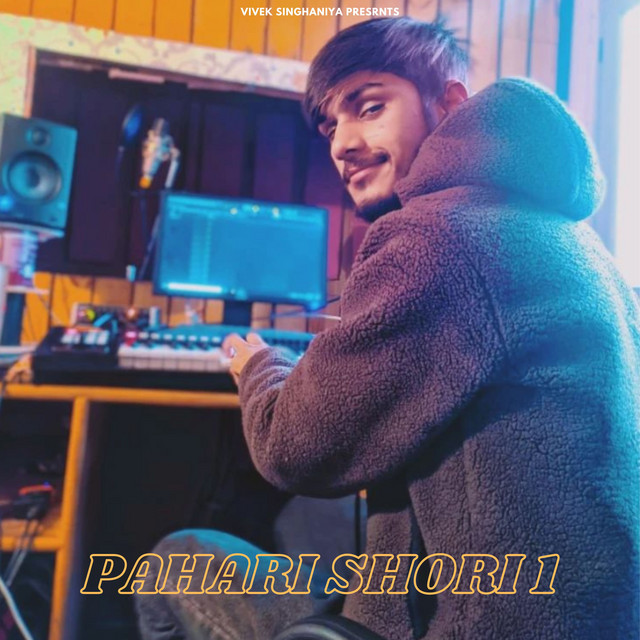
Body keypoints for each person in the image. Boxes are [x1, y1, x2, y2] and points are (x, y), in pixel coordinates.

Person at [136, 17, 640, 640]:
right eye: (331, 126)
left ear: (448, 103)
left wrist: (258, 366)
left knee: (174, 562)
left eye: (369, 107)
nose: (342, 145)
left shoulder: (436, 237)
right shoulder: (579, 244)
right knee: (306, 529)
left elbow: (291, 449)